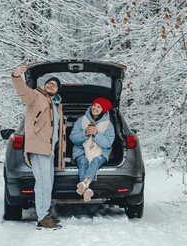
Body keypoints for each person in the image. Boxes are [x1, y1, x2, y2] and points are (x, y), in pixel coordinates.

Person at [11, 64, 66, 229]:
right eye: (49, 83)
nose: (51, 85)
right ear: (45, 85)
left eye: (54, 85)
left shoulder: (54, 105)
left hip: (48, 151)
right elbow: (22, 91)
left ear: (57, 90)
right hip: (38, 149)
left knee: (47, 184)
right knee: (42, 184)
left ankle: (45, 214)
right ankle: (42, 218)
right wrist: (16, 76)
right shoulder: (35, 96)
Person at [69, 97, 115, 202]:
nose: (95, 108)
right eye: (94, 105)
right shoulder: (81, 120)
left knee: (95, 161)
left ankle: (84, 184)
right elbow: (73, 138)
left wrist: (96, 134)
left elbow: (108, 143)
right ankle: (86, 189)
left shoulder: (108, 125)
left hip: (101, 152)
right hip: (81, 150)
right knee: (83, 162)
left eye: (99, 106)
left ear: (103, 109)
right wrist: (85, 133)